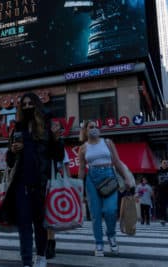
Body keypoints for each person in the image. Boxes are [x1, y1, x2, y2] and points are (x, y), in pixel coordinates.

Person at [7, 92, 64, 267]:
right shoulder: (17, 128)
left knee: (40, 224)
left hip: (41, 183)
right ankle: (26, 261)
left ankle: (40, 256)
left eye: (30, 103)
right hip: (21, 182)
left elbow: (58, 155)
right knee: (24, 225)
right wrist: (13, 151)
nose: (27, 107)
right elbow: (9, 161)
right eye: (23, 105)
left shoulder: (47, 127)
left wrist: (56, 139)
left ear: (37, 105)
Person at [78, 120, 131, 257]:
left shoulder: (107, 142)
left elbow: (117, 162)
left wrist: (126, 178)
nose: (94, 129)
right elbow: (82, 168)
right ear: (85, 130)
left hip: (109, 176)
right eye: (91, 127)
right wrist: (78, 186)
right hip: (92, 178)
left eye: (96, 127)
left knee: (110, 210)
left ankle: (111, 235)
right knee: (95, 214)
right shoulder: (83, 148)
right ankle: (99, 242)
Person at [46, 147, 70, 259]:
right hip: (39, 182)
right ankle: (47, 242)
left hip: (54, 182)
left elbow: (65, 165)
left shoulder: (59, 146)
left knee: (50, 214)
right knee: (42, 215)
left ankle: (50, 243)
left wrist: (69, 184)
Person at [156, 160, 168, 226]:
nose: (166, 164)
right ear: (161, 164)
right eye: (164, 163)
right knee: (162, 205)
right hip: (161, 191)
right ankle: (163, 218)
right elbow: (155, 181)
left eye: (166, 163)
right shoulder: (158, 172)